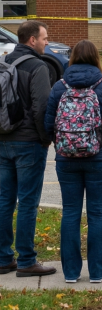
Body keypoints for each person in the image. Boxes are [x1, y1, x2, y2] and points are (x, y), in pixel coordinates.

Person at [44, 40, 102, 284]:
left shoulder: (59, 87)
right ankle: (98, 273)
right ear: (96, 58)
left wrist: (61, 146)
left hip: (66, 158)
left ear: (72, 59)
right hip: (99, 158)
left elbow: (48, 124)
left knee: (70, 212)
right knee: (97, 214)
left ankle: (70, 273)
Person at [0, 21, 57, 277]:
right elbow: (42, 108)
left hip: (3, 140)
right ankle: (26, 261)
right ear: (32, 40)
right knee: (27, 203)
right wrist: (46, 139)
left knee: (4, 201)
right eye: (44, 38)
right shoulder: (38, 67)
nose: (47, 42)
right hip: (28, 144)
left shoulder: (3, 63)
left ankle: (3, 258)